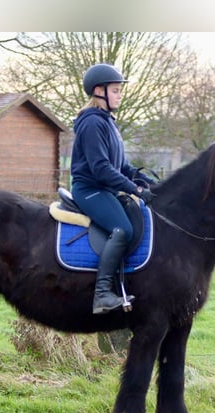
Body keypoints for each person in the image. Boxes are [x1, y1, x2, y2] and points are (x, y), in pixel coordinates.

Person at [70, 63, 156, 314]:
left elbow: (122, 165)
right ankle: (102, 295)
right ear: (99, 91)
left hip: (103, 189)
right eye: (116, 90)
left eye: (120, 90)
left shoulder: (108, 122)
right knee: (123, 229)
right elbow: (101, 169)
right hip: (89, 189)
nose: (120, 95)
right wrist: (134, 190)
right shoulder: (92, 124)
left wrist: (147, 183)